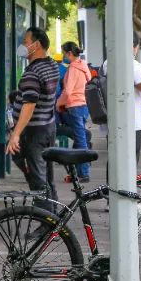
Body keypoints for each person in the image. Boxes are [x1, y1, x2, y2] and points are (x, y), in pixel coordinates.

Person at [6, 27, 60, 212]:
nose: (22, 45)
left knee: (38, 180)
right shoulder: (52, 65)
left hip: (33, 133)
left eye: (25, 41)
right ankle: (53, 216)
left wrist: (15, 135)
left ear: (36, 45)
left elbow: (29, 105)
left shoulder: (32, 73)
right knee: (47, 177)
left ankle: (45, 222)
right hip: (48, 127)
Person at [103, 34, 141, 165]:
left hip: (113, 120)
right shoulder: (133, 65)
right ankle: (127, 186)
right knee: (130, 161)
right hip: (132, 122)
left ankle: (112, 185)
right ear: (134, 47)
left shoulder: (107, 62)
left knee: (114, 160)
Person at [56, 41, 92, 182]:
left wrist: (58, 104)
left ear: (69, 53)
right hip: (84, 106)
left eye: (64, 53)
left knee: (81, 139)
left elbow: (68, 91)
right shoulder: (83, 66)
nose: (64, 56)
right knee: (80, 137)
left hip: (74, 106)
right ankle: (76, 170)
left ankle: (83, 173)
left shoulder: (72, 69)